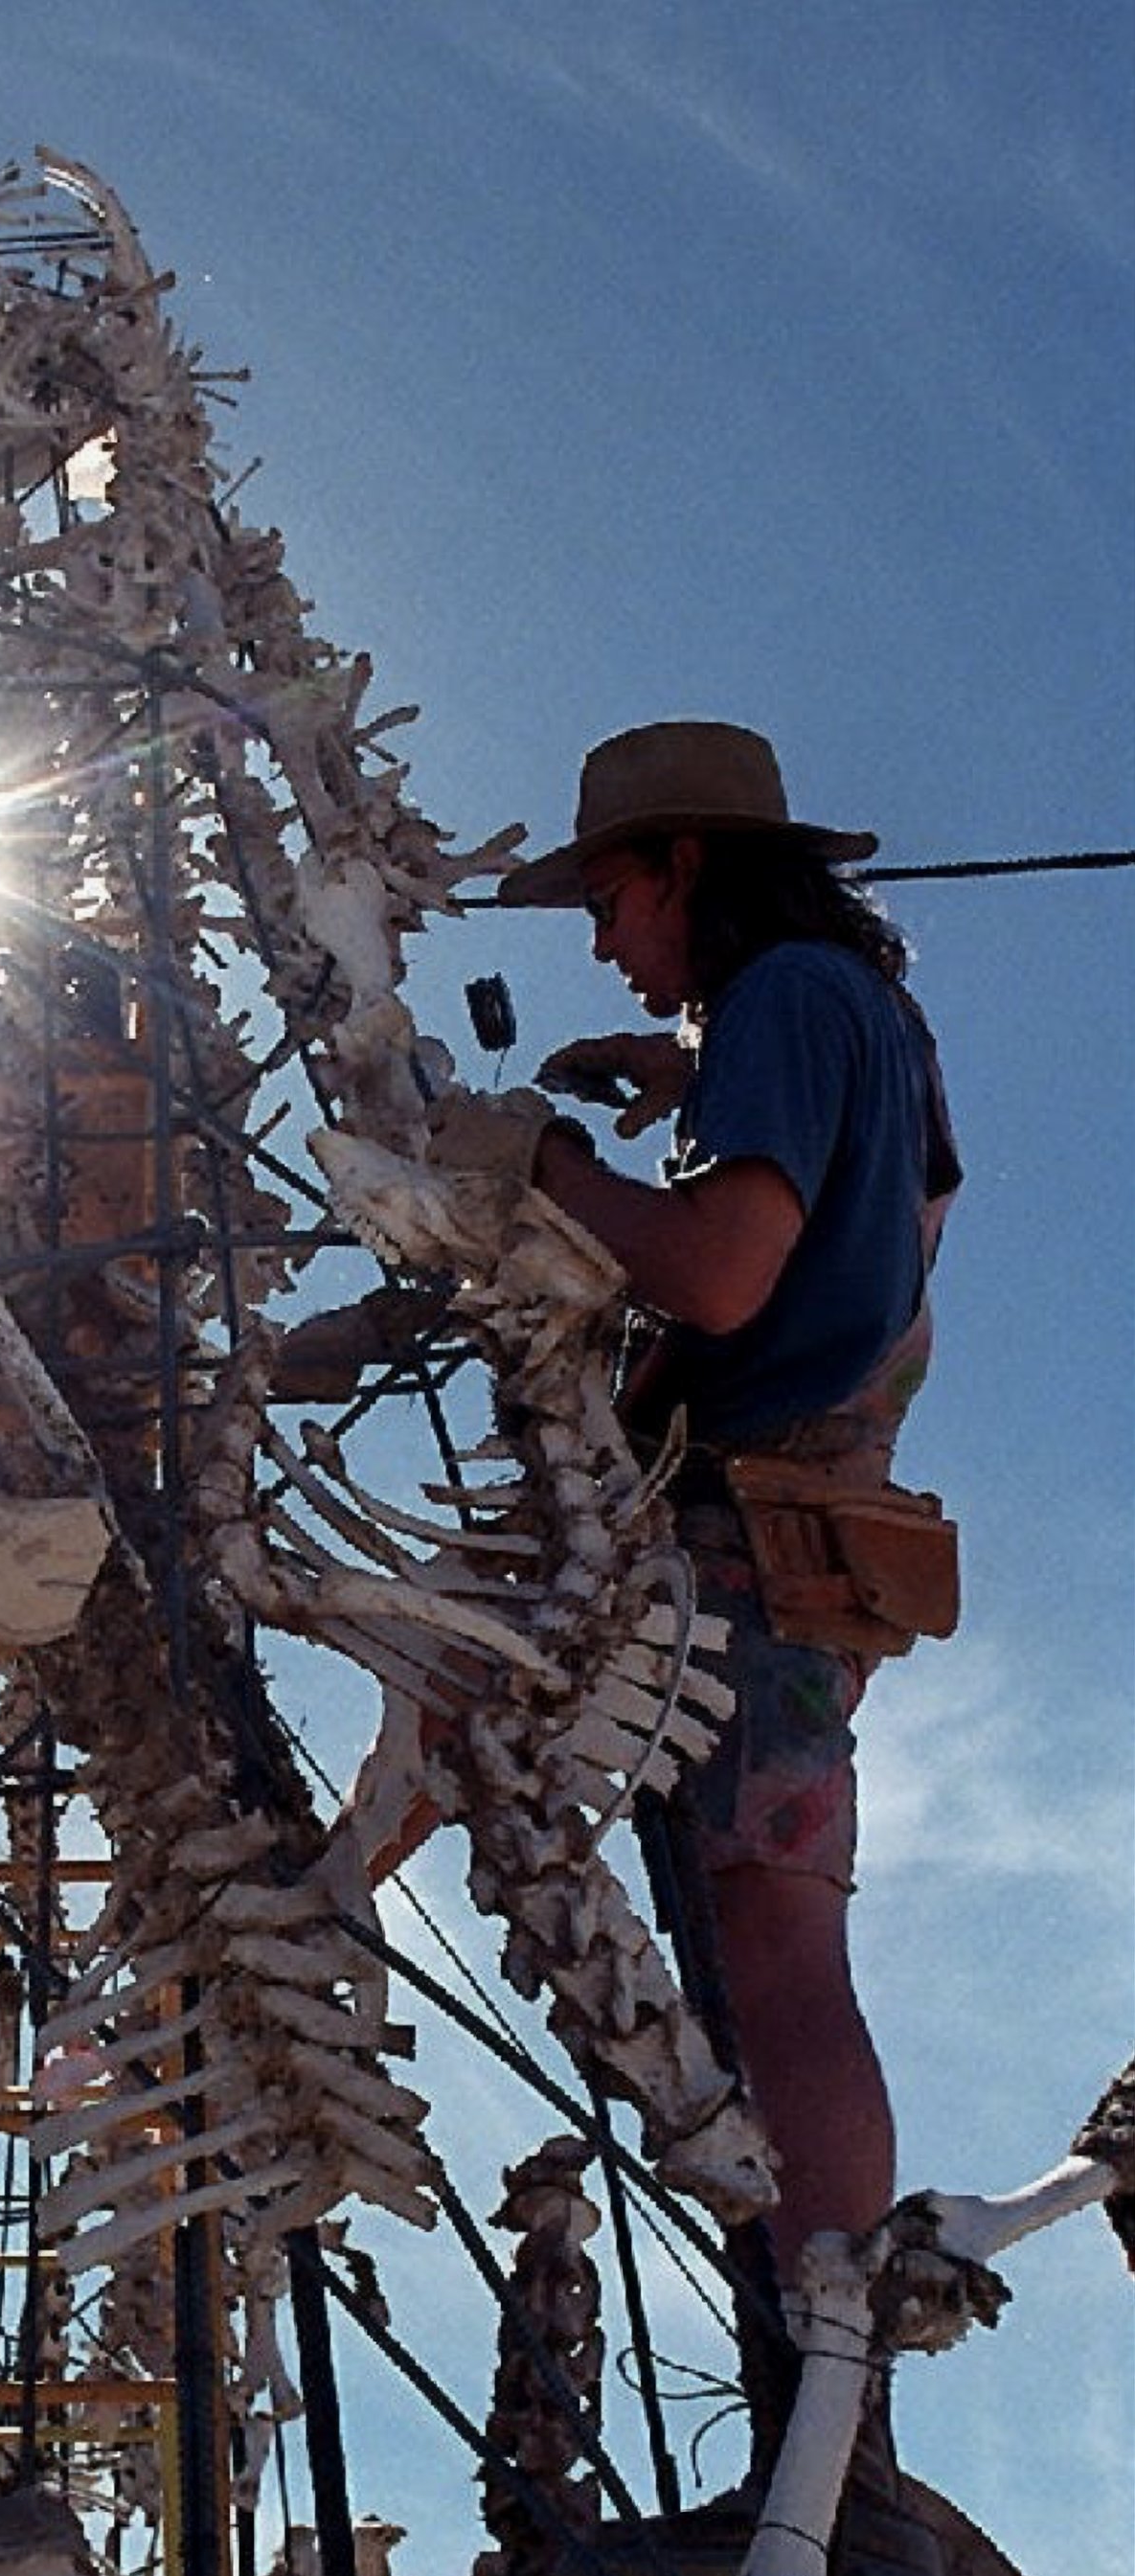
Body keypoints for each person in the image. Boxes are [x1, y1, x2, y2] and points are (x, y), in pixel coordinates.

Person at [496, 719, 961, 2312]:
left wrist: (545, 1163)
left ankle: (824, 2374)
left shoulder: (780, 997)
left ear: (689, 863)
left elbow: (713, 1273)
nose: (608, 944)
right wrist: (690, 1078)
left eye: (611, 902)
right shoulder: (864, 1014)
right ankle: (821, 2395)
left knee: (768, 1964)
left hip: (748, 1550)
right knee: (770, 1955)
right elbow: (909, 1200)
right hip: (819, 1538)